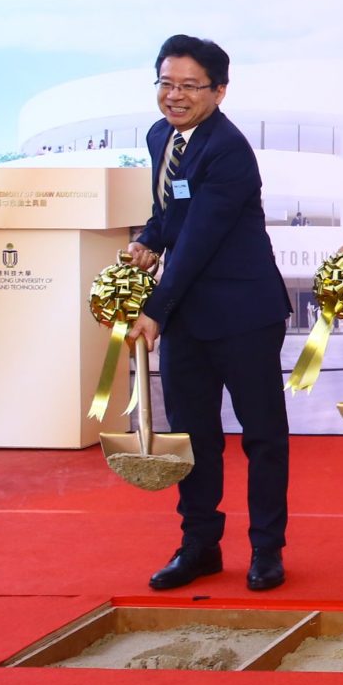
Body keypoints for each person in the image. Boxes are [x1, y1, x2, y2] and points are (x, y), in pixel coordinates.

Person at [125, 34, 293, 592]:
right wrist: (148, 239)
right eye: (166, 83)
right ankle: (199, 546)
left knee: (262, 436)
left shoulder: (229, 150)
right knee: (192, 437)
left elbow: (198, 238)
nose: (174, 96)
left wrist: (153, 308)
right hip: (189, 319)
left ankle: (267, 551)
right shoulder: (160, 136)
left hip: (244, 312)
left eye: (189, 86)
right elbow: (171, 212)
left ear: (219, 92)